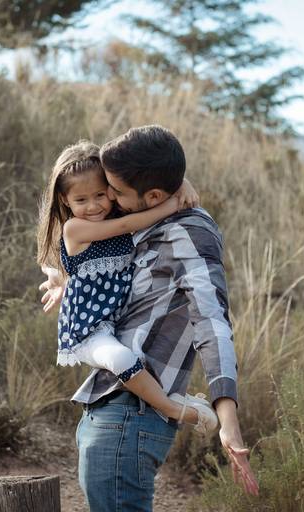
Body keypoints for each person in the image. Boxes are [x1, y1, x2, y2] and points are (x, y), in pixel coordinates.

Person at [39, 125, 259, 510]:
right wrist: (66, 283)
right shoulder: (142, 216)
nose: (109, 199)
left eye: (115, 192)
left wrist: (230, 421)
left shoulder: (187, 232)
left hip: (131, 417)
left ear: (153, 196)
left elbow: (212, 324)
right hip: (110, 408)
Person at [36, 140, 219, 433]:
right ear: (65, 200)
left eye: (100, 194)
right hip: (88, 328)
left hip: (119, 317)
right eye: (81, 200)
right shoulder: (76, 228)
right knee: (122, 359)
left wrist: (180, 181)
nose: (94, 206)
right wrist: (174, 201)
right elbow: (127, 226)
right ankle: (174, 408)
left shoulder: (117, 210)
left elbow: (144, 181)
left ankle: (165, 392)